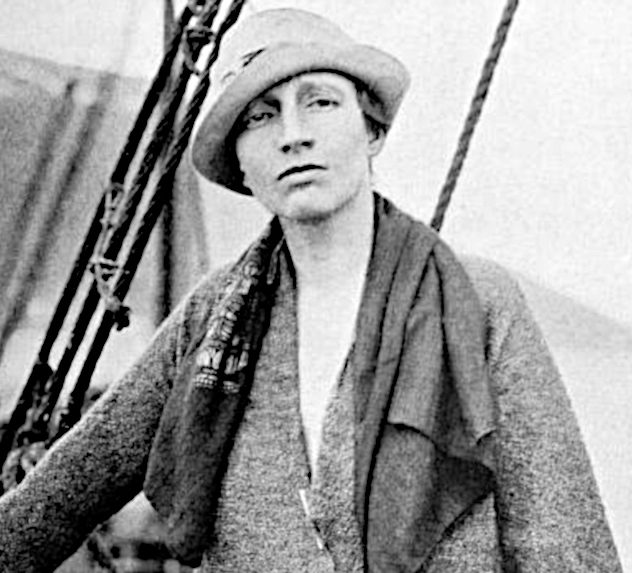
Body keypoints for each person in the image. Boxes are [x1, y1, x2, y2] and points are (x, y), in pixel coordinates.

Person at [0, 8, 622, 573]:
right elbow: (48, 510)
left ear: (371, 131)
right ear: (241, 164)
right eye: (260, 116)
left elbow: (565, 547)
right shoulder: (208, 324)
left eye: (319, 103)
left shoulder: (479, 302)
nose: (292, 134)